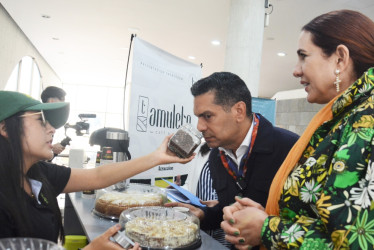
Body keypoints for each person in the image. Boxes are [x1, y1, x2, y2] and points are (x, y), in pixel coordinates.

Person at [221, 9, 374, 250]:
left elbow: (355, 244)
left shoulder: (366, 121)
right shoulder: (342, 118)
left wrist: (268, 228)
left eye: (304, 56)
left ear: (340, 59)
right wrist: (264, 219)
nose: (296, 70)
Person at [0, 91, 194, 249]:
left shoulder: (39, 174)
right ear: (5, 128)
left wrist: (156, 157)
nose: (51, 129)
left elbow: (97, 177)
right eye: (41, 121)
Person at [165, 72, 299, 248]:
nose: (200, 127)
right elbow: (229, 209)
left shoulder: (290, 148)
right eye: (198, 117)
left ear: (239, 111)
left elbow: (310, 223)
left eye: (207, 116)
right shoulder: (216, 156)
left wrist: (268, 229)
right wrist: (204, 214)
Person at [41, 86, 67, 155]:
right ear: (51, 101)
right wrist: (51, 147)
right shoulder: (40, 119)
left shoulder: (49, 119)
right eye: (62, 101)